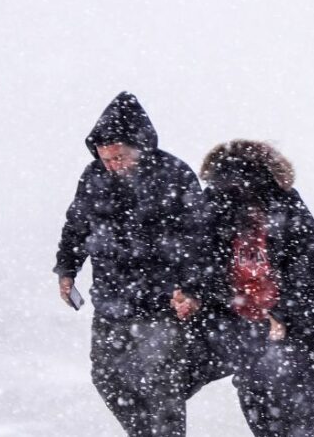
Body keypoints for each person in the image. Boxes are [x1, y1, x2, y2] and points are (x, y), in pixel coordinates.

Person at [172, 140, 314, 437]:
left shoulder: (287, 208)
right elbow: (199, 265)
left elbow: (311, 276)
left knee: (293, 420)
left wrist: (281, 314)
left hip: (298, 333)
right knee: (266, 416)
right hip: (246, 334)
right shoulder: (216, 208)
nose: (240, 200)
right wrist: (191, 295)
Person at [53, 91, 202, 436]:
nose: (112, 165)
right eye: (106, 158)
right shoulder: (93, 177)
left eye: (119, 157)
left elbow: (199, 239)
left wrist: (190, 288)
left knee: (162, 387)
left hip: (162, 304)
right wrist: (66, 269)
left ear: (139, 147)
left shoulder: (174, 174)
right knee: (106, 379)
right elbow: (76, 226)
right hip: (111, 302)